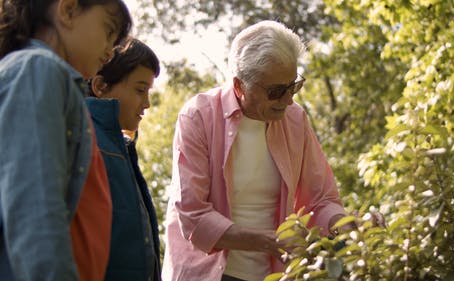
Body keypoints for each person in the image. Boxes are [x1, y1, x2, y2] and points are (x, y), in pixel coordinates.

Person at [162, 20, 355, 281]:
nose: (289, 100)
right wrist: (268, 241)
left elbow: (321, 199)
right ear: (240, 86)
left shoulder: (295, 119)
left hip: (274, 274)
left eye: (293, 85)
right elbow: (192, 214)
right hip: (208, 272)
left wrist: (345, 224)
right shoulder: (199, 116)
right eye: (276, 91)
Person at [0, 0, 131, 280]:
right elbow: (35, 208)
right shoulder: (37, 70)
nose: (110, 53)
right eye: (108, 31)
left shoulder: (53, 80)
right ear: (69, 9)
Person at [87, 37, 162, 281]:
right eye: (140, 90)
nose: (147, 103)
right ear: (100, 87)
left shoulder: (120, 146)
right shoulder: (87, 143)